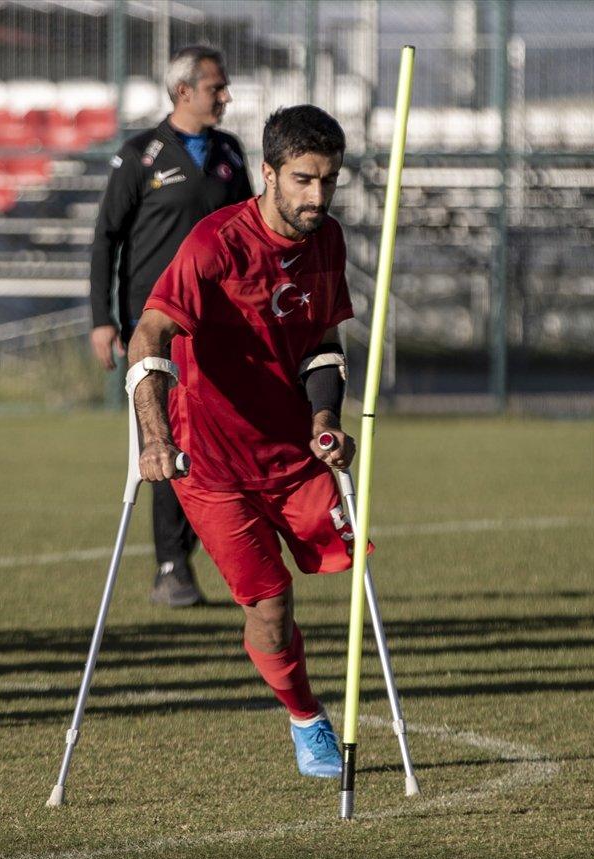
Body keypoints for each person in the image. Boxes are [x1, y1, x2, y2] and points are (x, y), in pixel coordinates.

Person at [125, 106, 360, 778]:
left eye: (329, 182)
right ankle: (306, 717)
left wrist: (324, 423)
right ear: (269, 173)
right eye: (304, 180)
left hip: (292, 453)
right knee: (271, 603)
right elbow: (149, 337)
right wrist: (154, 437)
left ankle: (300, 694)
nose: (318, 196)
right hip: (213, 464)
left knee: (349, 565)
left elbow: (321, 343)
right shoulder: (214, 244)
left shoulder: (329, 241)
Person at [89, 45, 253, 607]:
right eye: (217, 87)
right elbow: (106, 239)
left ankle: (205, 557)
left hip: (218, 328)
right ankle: (171, 567)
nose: (226, 96)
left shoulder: (230, 152)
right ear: (184, 91)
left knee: (217, 444)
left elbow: (248, 232)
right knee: (167, 440)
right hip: (153, 328)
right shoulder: (140, 155)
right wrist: (102, 320)